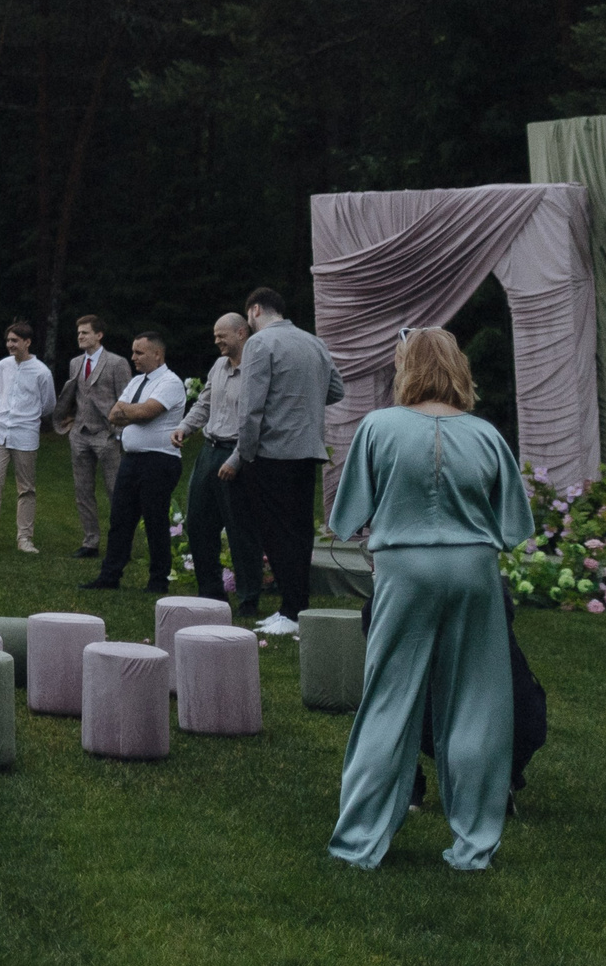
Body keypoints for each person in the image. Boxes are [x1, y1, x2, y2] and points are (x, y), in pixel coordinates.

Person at [326, 329, 534, 871]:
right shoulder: (486, 435)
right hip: (473, 572)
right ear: (457, 367)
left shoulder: (378, 426)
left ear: (406, 369)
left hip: (404, 570)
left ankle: (359, 842)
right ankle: (473, 846)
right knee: (478, 707)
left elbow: (346, 518)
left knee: (388, 702)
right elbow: (514, 526)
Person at [220, 286, 344, 634]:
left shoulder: (260, 344)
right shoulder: (313, 342)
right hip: (308, 451)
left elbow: (251, 409)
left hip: (271, 452)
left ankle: (291, 614)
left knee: (275, 533)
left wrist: (244, 456)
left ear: (255, 310)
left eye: (248, 317)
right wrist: (304, 403)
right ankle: (295, 608)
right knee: (300, 533)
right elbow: (337, 390)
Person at [80, 331, 186, 593]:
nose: (133, 357)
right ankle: (110, 576)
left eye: (139, 353)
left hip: (159, 460)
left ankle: (158, 580)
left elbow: (148, 412)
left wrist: (129, 411)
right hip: (132, 459)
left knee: (155, 520)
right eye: (133, 351)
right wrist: (130, 412)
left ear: (157, 354)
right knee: (120, 519)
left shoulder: (170, 382)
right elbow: (113, 414)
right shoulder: (138, 381)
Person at [175, 312, 265, 614]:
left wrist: (237, 459)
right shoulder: (218, 366)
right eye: (214, 335)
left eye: (221, 334)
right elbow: (204, 402)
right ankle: (211, 596)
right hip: (209, 450)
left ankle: (249, 600)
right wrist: (185, 428)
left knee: (241, 530)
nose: (216, 340)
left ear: (241, 333)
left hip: (238, 453)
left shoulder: (256, 370)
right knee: (199, 524)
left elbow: (258, 421)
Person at [0, 318, 59, 553]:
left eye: (15, 340)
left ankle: (24, 538)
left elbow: (49, 405)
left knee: (26, 488)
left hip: (25, 434)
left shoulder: (42, 372)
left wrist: (27, 417)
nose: (10, 345)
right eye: (8, 340)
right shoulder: (3, 366)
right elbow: (3, 395)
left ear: (27, 342)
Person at [54, 314, 130, 557]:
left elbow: (126, 400)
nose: (80, 336)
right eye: (78, 333)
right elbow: (77, 395)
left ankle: (121, 544)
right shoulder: (76, 363)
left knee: (115, 491)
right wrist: (71, 424)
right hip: (80, 434)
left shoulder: (117, 363)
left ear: (99, 335)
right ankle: (90, 542)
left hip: (107, 436)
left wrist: (118, 434)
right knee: (82, 491)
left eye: (85, 332)